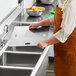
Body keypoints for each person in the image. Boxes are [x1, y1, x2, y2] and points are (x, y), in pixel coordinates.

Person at [29, 0, 76, 76]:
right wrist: (39, 23)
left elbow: (64, 32)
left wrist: (46, 42)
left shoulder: (71, 5)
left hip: (70, 49)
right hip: (61, 47)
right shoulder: (62, 1)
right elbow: (57, 17)